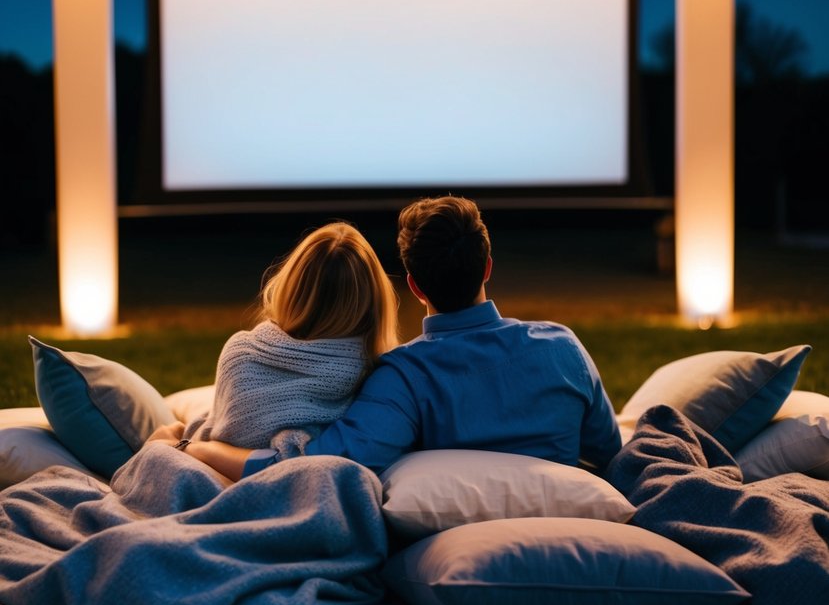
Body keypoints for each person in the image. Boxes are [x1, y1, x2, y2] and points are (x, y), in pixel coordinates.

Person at [153, 196, 620, 479]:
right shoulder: (563, 348)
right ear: (489, 267)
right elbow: (609, 455)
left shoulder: (405, 377)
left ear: (413, 287)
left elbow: (311, 467)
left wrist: (199, 449)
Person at [172, 222, 399, 451]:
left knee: (165, 430)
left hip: (205, 462)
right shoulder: (375, 378)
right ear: (374, 302)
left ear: (290, 286)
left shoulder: (239, 353)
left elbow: (216, 427)